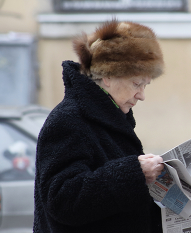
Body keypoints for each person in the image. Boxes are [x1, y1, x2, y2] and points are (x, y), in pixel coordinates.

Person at [33, 20, 165, 233]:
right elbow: (62, 200)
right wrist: (134, 173)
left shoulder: (108, 119)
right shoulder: (69, 120)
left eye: (145, 85)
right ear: (108, 76)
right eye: (136, 83)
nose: (141, 95)